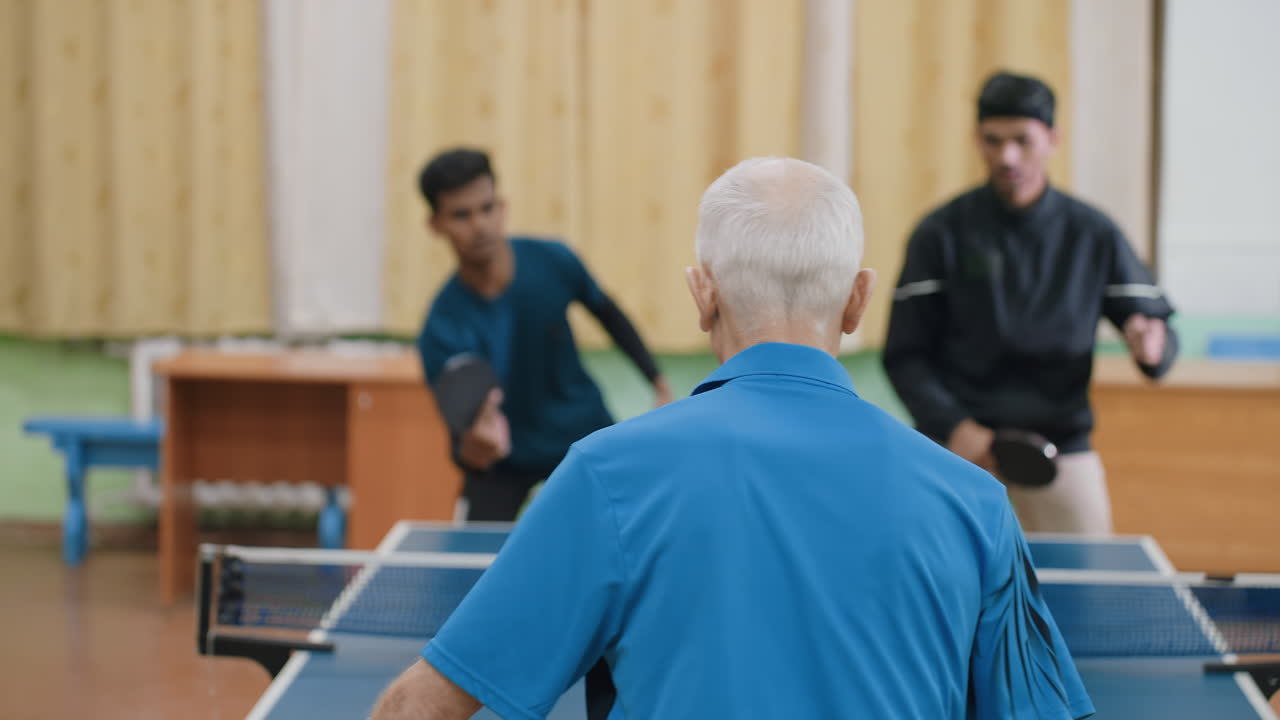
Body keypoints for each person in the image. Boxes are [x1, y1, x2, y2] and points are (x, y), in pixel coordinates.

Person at [371, 157, 1094, 719]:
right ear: (858, 299)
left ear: (702, 293)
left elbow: (421, 708)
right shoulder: (976, 502)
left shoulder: (607, 475)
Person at [883, 70, 1179, 534]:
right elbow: (904, 353)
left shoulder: (1092, 233)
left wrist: (1153, 346)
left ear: (1053, 139)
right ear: (977, 139)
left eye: (1022, 139)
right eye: (993, 140)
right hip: (959, 447)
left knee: (1088, 590)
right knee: (939, 592)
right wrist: (955, 425)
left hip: (1062, 449)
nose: (1007, 156)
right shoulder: (940, 233)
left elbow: (1154, 328)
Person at [414, 147, 672, 522]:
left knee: (637, 529)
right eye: (461, 215)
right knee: (470, 558)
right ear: (435, 224)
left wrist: (657, 381)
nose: (479, 225)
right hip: (507, 457)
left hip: (582, 434)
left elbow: (608, 313)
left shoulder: (553, 260)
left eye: (487, 209)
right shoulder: (442, 326)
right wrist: (474, 449)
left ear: (502, 206)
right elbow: (462, 439)